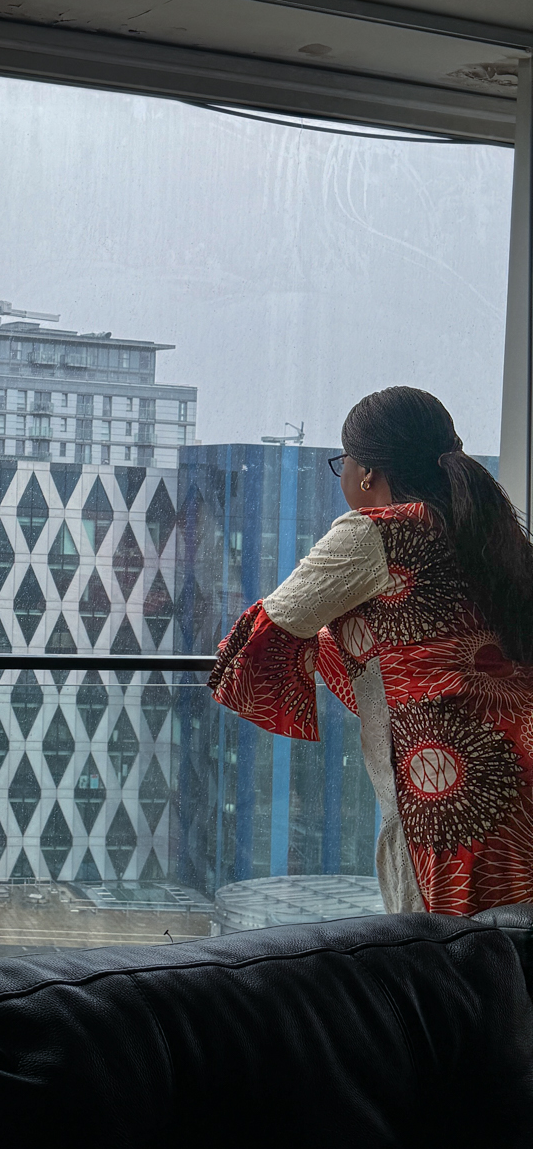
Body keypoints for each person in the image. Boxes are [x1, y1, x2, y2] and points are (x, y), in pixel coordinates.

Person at [209, 386, 533, 915]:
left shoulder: (375, 533)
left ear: (366, 473)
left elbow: (277, 621)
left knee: (440, 951)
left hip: (447, 785)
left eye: (343, 462)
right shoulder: (484, 527)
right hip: (517, 764)